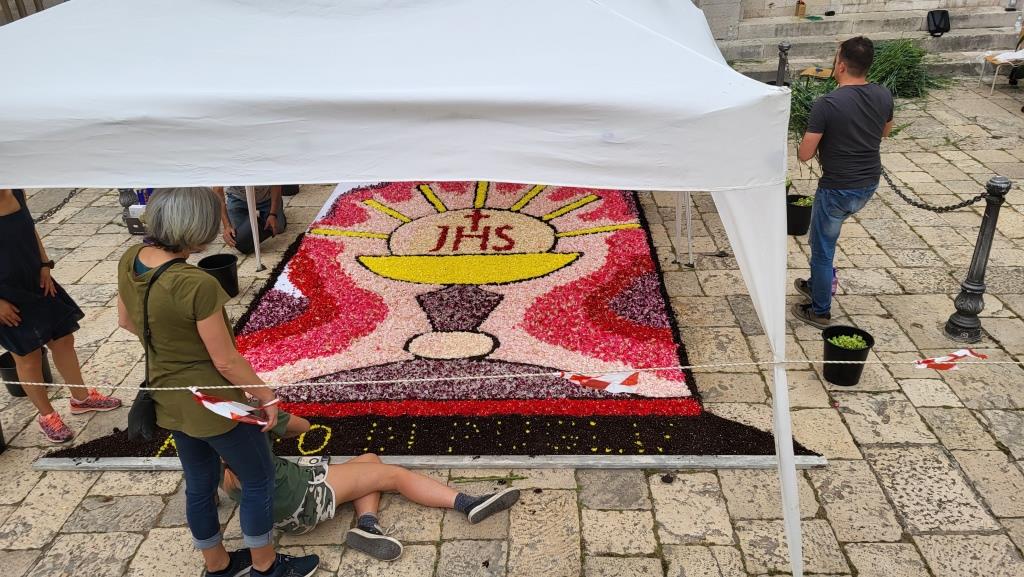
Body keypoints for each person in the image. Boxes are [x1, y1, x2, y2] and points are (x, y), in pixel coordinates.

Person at [116, 187, 318, 577]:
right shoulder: (197, 284)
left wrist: (171, 345)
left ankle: (218, 564)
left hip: (168, 396)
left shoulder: (130, 258)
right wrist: (266, 396)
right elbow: (225, 361)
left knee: (199, 482)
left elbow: (126, 321)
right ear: (196, 229)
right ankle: (265, 566)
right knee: (258, 479)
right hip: (214, 403)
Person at [221, 411, 520, 562]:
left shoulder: (209, 450)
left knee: (369, 461)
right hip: (305, 496)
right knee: (394, 476)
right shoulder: (248, 416)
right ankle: (467, 503)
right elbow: (304, 426)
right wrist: (268, 408)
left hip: (272, 517)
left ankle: (368, 525)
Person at [0, 188, 121, 443]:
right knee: (28, 357)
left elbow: (30, 231)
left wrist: (45, 265)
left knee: (64, 340)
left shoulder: (16, 191)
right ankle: (47, 416)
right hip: (5, 297)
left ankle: (81, 398)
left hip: (37, 280)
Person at [793, 36, 894, 329]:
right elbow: (886, 132)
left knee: (822, 249)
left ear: (840, 65)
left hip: (837, 188)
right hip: (867, 184)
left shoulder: (827, 104)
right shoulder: (883, 94)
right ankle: (817, 284)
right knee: (823, 241)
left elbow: (804, 154)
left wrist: (813, 129)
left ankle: (820, 310)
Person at [216, 186, 287, 255]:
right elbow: (217, 191)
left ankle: (273, 212)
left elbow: (276, 185)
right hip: (238, 199)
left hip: (267, 197)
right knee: (239, 236)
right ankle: (251, 217)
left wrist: (273, 214)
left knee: (277, 227)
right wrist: (227, 226)